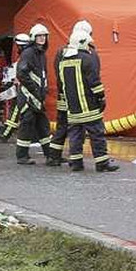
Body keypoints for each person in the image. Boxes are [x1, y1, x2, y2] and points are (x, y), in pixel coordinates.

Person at [58, 28, 118, 172]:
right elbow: (94, 82)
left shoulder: (63, 61)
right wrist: (101, 98)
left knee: (75, 136)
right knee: (97, 134)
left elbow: (62, 84)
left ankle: (77, 163)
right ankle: (102, 163)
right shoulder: (87, 59)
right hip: (89, 107)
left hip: (73, 109)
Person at [46, 20, 96, 166]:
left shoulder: (61, 52)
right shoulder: (88, 53)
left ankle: (54, 156)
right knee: (78, 128)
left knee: (62, 126)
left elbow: (58, 74)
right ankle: (75, 158)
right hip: (81, 99)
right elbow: (92, 75)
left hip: (64, 96)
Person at [13, 28, 53, 164]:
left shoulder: (41, 54)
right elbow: (22, 73)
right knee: (27, 125)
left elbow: (42, 75)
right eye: (39, 36)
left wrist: (42, 91)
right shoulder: (29, 53)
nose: (42, 38)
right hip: (28, 97)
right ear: (33, 38)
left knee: (43, 125)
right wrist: (35, 90)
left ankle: (50, 155)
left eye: (44, 36)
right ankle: (22, 156)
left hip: (37, 96)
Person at [0, 34, 34, 141]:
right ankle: (7, 133)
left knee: (16, 109)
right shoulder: (32, 54)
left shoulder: (26, 55)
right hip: (30, 86)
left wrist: (16, 79)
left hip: (24, 86)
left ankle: (6, 134)